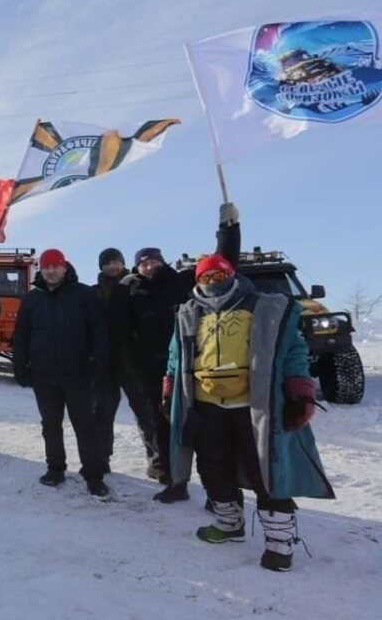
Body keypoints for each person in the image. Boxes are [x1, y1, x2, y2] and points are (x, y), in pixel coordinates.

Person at [164, 254, 333, 572]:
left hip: (255, 404)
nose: (212, 282)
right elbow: (176, 354)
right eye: (205, 277)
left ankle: (279, 543)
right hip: (206, 403)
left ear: (231, 275)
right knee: (212, 464)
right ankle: (229, 524)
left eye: (218, 275)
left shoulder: (265, 306)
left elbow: (293, 349)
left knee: (265, 468)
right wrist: (169, 386)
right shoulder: (188, 312)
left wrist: (300, 388)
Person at [127, 202, 241, 502]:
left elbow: (221, 263)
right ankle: (174, 481)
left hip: (194, 366)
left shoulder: (183, 281)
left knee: (204, 429)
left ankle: (219, 492)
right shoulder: (130, 292)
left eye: (154, 259)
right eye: (143, 262)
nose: (150, 265)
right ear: (136, 268)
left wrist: (228, 230)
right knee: (164, 427)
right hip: (155, 372)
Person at [12, 249, 109, 496]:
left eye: (56, 266)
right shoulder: (31, 299)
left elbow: (99, 331)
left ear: (64, 268)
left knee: (85, 425)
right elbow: (21, 335)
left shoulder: (84, 295)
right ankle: (55, 468)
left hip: (78, 373)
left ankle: (93, 475)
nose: (51, 271)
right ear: (41, 270)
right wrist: (20, 364)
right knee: (51, 424)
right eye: (46, 267)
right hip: (44, 375)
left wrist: (97, 360)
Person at [91, 249, 160, 464]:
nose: (112, 267)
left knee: (145, 412)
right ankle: (101, 459)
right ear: (101, 267)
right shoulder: (94, 292)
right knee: (102, 412)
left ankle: (157, 460)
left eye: (116, 262)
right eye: (107, 263)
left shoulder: (136, 286)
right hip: (105, 362)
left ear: (123, 263)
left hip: (134, 361)